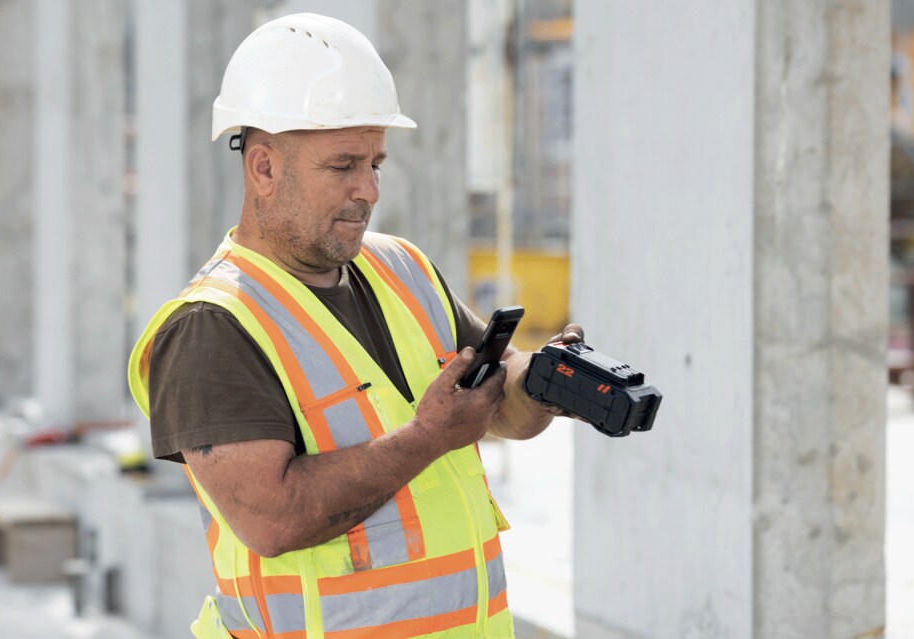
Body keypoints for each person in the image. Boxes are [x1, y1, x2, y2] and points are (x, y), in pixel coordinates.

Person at [127, 13, 583, 639]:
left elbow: (493, 404)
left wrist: (546, 381)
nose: (368, 189)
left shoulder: (403, 269)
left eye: (375, 163)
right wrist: (427, 437)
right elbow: (273, 519)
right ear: (263, 169)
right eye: (342, 165)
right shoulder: (212, 328)